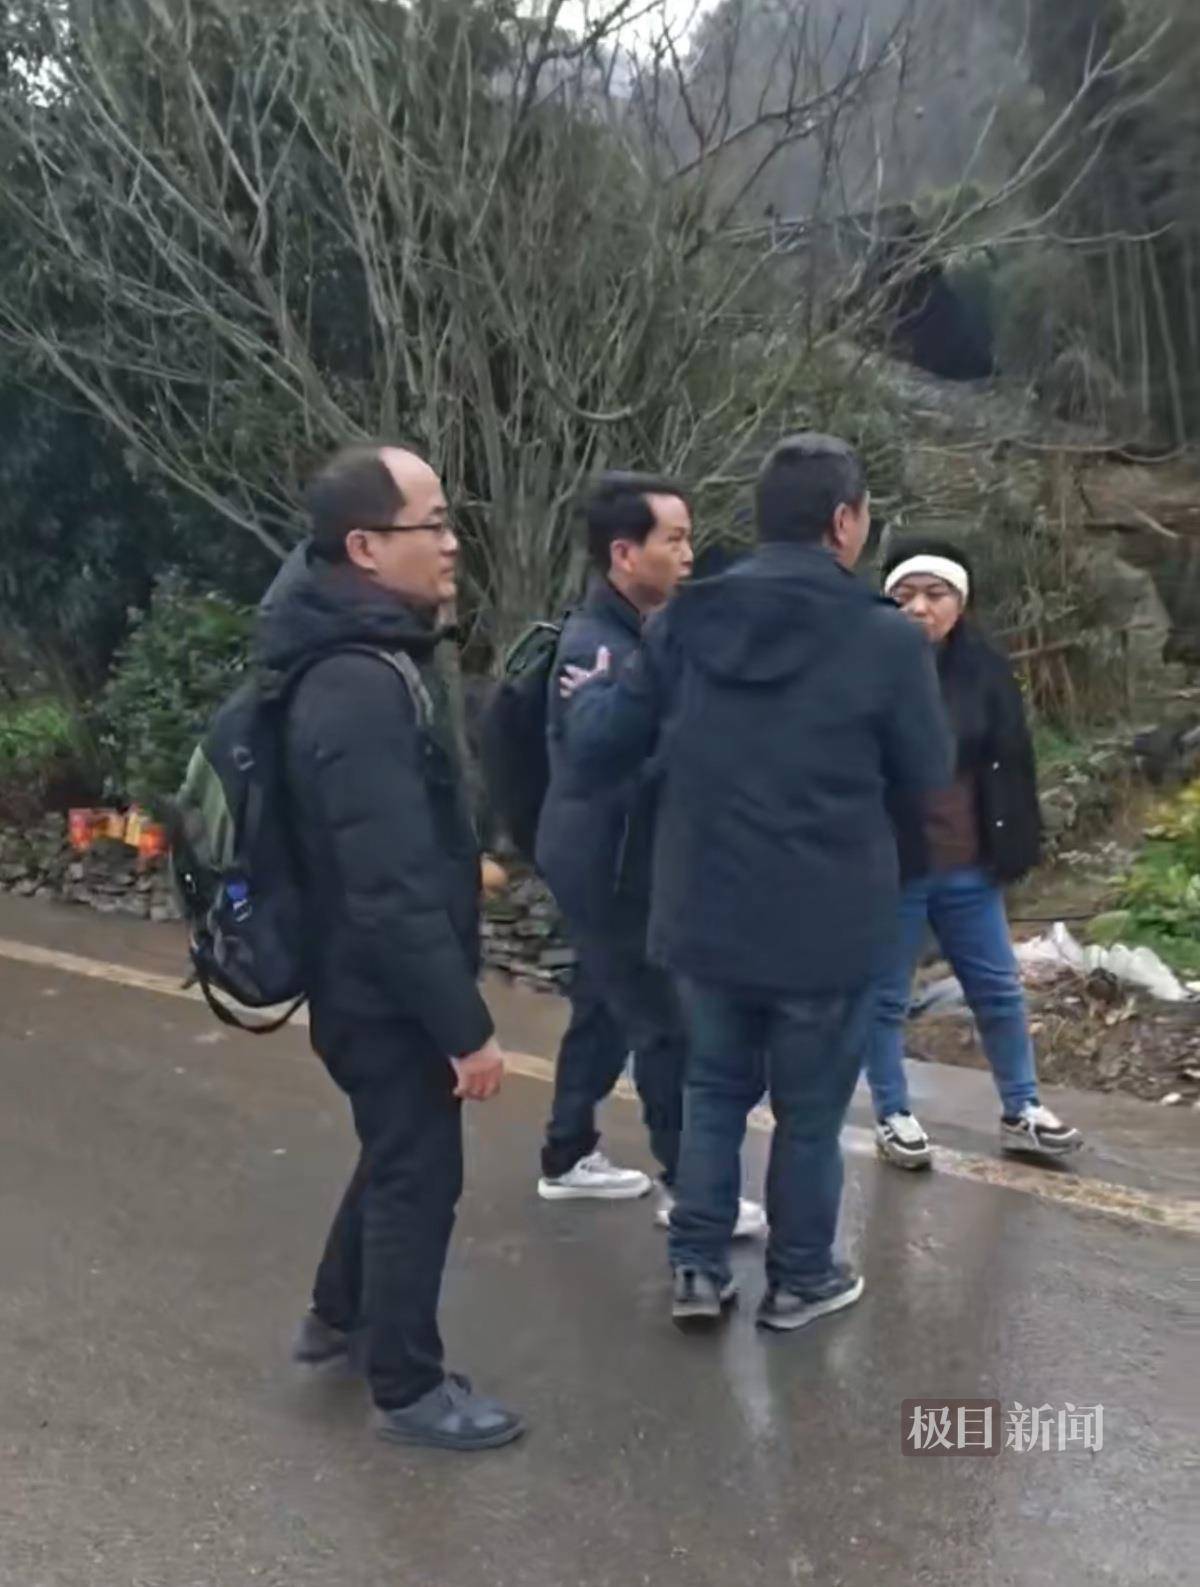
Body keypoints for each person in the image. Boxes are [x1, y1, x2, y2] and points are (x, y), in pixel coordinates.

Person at [560, 434, 953, 1331]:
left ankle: (698, 1269)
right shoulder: (885, 639)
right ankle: (801, 1276)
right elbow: (927, 773)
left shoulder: (685, 620)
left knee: (712, 1092)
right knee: (810, 1113)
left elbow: (601, 743)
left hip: (703, 908)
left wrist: (589, 692)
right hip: (827, 916)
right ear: (845, 522)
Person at [255, 444, 524, 1452]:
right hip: (380, 989)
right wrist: (466, 1030)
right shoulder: (355, 686)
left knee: (396, 1147)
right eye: (433, 524)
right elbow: (388, 887)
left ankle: (336, 1317)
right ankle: (409, 1386)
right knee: (420, 1172)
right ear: (365, 547)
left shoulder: (364, 656)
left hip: (368, 977)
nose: (452, 542)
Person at [534, 474, 767, 1236]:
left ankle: (568, 1152)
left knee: (603, 1005)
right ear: (624, 554)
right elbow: (606, 754)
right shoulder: (595, 647)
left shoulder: (637, 631)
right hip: (608, 865)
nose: (689, 554)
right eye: (674, 539)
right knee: (666, 1025)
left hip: (615, 854)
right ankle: (693, 1190)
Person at [867, 537, 1083, 1167]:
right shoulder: (863, 669)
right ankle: (893, 1113)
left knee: (997, 990)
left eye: (935, 595)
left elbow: (1013, 764)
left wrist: (1014, 842)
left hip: (968, 863)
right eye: (904, 595)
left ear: (960, 603)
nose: (919, 608)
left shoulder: (985, 669)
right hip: (894, 867)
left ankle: (1023, 1108)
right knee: (885, 999)